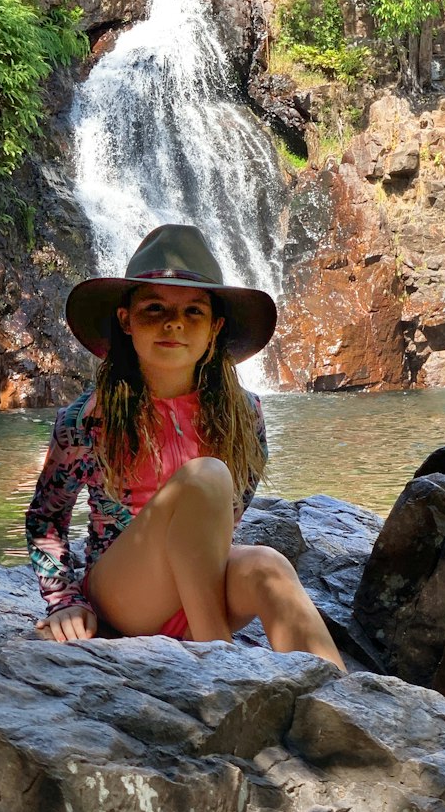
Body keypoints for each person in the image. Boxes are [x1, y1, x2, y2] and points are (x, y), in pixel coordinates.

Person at [25, 223, 344, 669]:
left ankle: (342, 705)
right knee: (207, 475)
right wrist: (64, 600)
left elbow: (231, 510)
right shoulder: (88, 418)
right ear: (126, 321)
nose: (173, 323)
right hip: (124, 596)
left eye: (193, 312)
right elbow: (46, 517)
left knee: (269, 566)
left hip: (199, 590)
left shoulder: (244, 413)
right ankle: (222, 665)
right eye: (154, 308)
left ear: (214, 328)